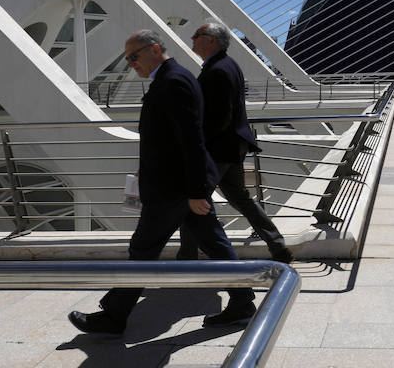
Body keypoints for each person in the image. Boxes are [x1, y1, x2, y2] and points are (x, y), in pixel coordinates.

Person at [68, 30, 256, 335]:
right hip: (178, 185)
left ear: (154, 49)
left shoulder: (174, 81)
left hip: (175, 189)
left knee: (143, 248)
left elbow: (192, 139)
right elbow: (167, 138)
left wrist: (195, 191)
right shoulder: (172, 78)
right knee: (214, 242)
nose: (130, 64)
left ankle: (115, 317)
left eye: (134, 57)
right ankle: (243, 301)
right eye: (127, 59)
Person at [177, 19, 293, 264]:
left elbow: (219, 117)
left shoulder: (217, 70)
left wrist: (198, 145)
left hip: (217, 150)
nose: (192, 39)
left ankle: (187, 260)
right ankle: (277, 245)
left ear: (211, 40)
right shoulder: (228, 66)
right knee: (240, 198)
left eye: (196, 34)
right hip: (232, 147)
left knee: (193, 203)